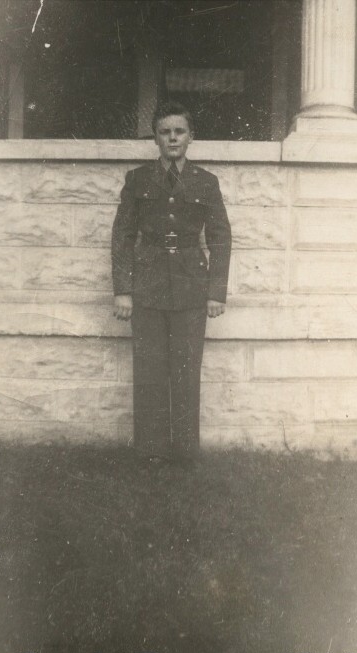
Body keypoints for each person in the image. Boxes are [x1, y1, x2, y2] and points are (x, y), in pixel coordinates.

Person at [112, 101, 232, 465]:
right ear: (155, 138)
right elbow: (122, 236)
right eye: (165, 132)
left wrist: (216, 292)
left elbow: (220, 237)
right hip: (147, 286)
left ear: (191, 137)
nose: (173, 138)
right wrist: (123, 291)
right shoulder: (137, 180)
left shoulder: (206, 182)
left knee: (186, 369)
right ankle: (151, 450)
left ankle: (184, 451)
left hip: (191, 286)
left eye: (179, 131)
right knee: (149, 370)